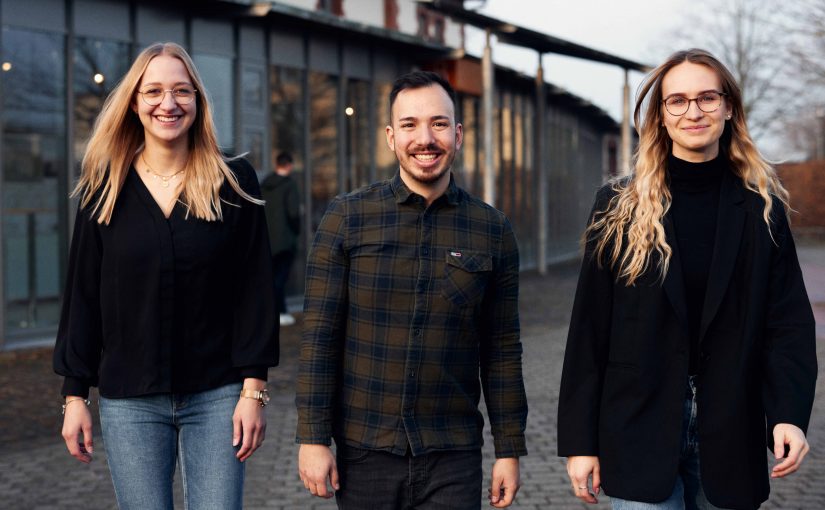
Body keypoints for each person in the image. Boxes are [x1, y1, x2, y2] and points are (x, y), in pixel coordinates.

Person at [557, 48, 817, 510]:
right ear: (660, 115)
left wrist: (789, 415)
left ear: (729, 106)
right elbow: (589, 331)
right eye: (677, 100)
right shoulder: (618, 206)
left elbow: (788, 324)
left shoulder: (762, 208)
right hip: (637, 428)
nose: (693, 111)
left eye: (707, 98)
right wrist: (580, 442)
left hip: (730, 433)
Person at [53, 42, 278, 510]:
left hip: (217, 396)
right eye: (153, 91)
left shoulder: (233, 182)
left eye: (181, 91)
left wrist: (254, 391)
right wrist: (75, 396)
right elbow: (83, 296)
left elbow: (254, 291)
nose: (167, 103)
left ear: (198, 101)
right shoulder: (104, 186)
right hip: (130, 401)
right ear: (134, 103)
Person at [295, 71, 528, 509]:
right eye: (410, 125)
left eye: (439, 124)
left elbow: (501, 349)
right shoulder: (347, 218)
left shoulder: (493, 231)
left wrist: (508, 449)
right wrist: (313, 437)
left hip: (452, 455)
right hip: (364, 452)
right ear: (390, 136)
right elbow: (319, 336)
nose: (426, 138)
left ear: (458, 135)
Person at [261, 151, 301, 327]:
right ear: (289, 165)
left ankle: (270, 312)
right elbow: (293, 214)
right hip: (284, 241)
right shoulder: (289, 185)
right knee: (280, 279)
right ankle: (281, 311)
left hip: (267, 240)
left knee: (270, 278)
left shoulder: (264, 184)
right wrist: (296, 231)